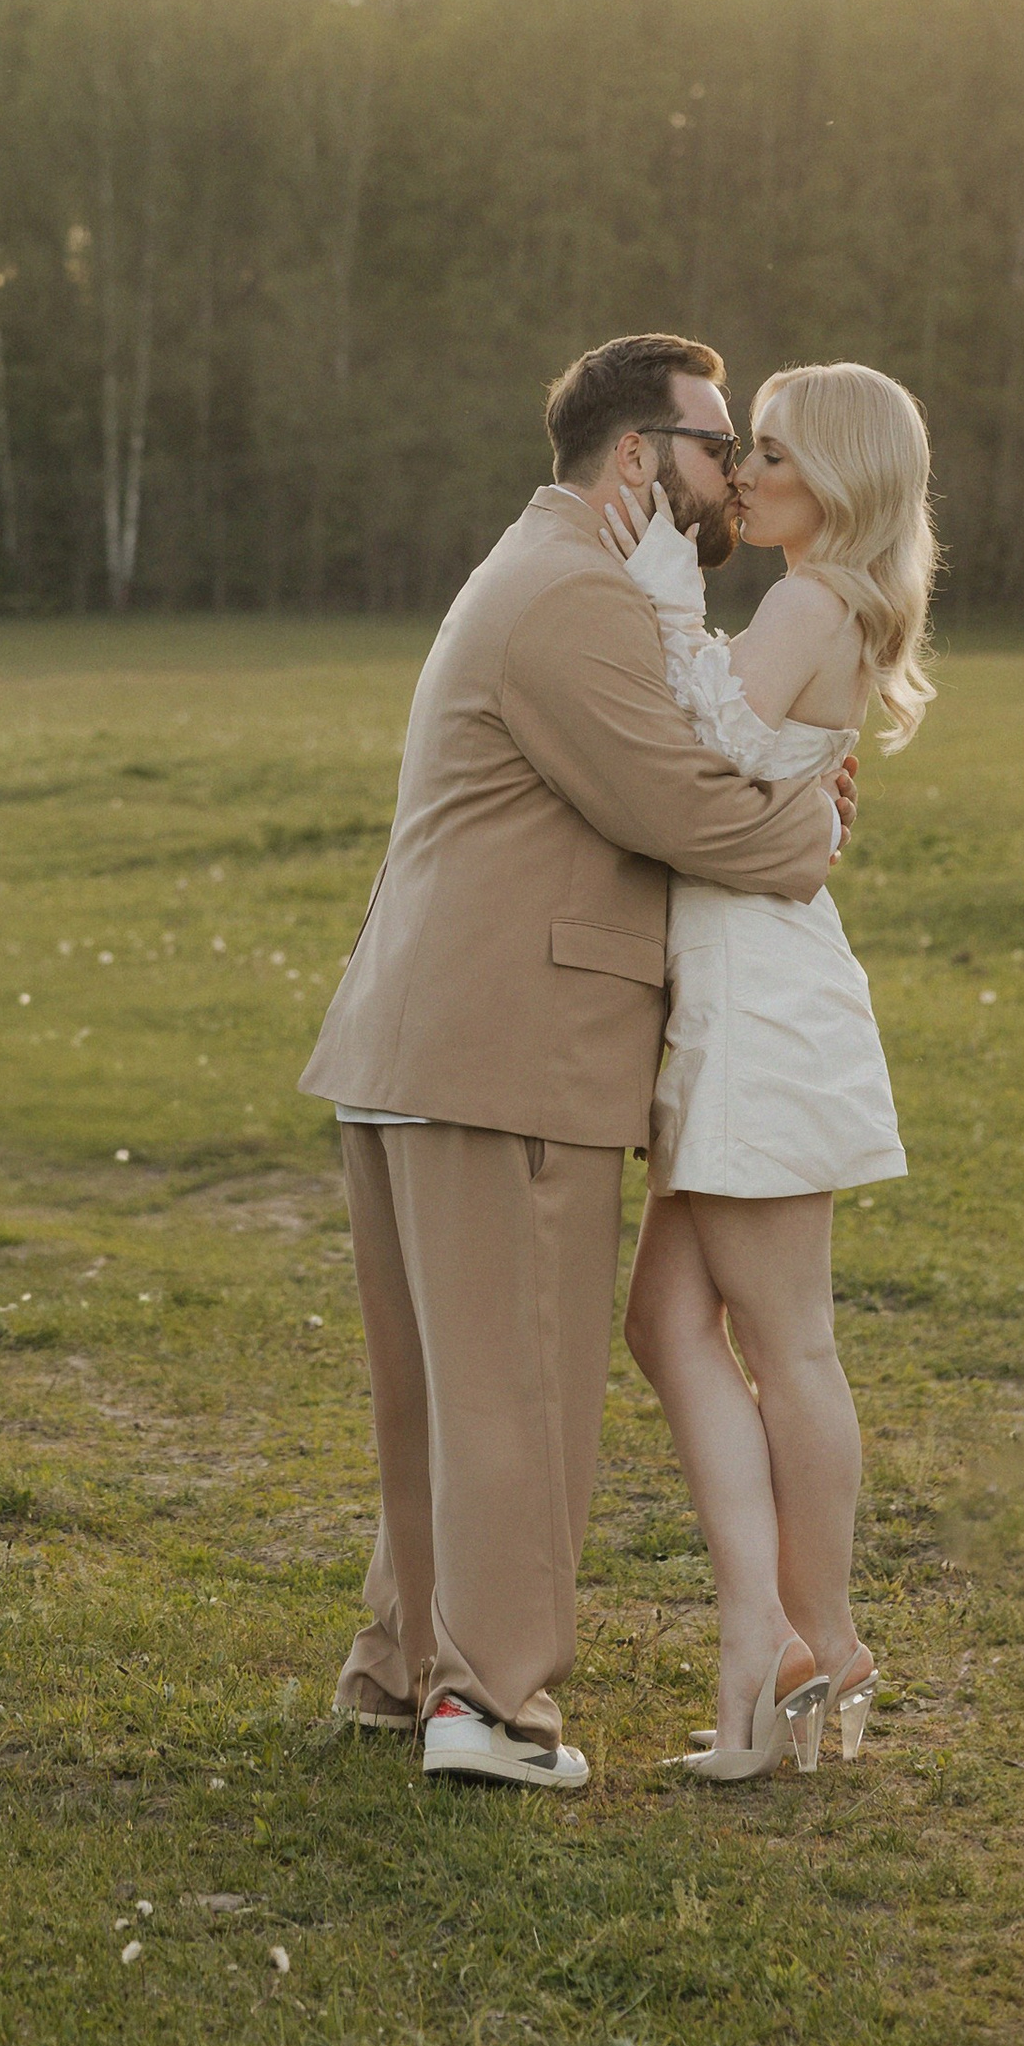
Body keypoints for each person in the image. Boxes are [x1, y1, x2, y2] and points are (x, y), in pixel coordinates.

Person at [300, 335, 855, 1791]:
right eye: (714, 445)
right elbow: (685, 809)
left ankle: (403, 1671)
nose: (731, 474)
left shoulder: (536, 572)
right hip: (508, 1049)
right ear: (635, 457)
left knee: (441, 1398)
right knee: (518, 1396)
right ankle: (492, 1711)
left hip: (431, 1043)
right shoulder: (575, 598)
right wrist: (813, 828)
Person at [602, 360, 938, 1782]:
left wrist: (666, 592)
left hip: (761, 1004)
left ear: (842, 481)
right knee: (665, 1322)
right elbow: (753, 758)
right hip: (740, 993)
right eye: (746, 451)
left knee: (790, 1343)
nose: (743, 473)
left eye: (776, 456)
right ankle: (780, 1641)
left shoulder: (812, 601)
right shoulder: (825, 603)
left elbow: (712, 745)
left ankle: (825, 1638)